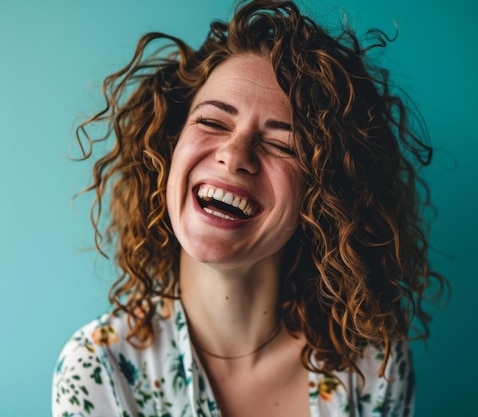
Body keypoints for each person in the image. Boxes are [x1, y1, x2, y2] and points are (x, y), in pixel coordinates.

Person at [52, 0, 446, 416]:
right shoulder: (100, 369)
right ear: (170, 146)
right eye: (212, 122)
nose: (235, 155)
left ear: (324, 194)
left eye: (281, 145)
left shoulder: (370, 367)